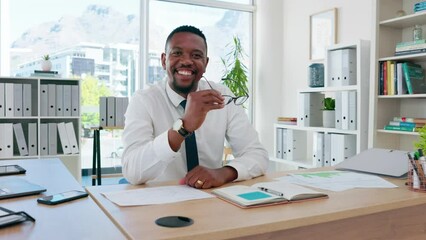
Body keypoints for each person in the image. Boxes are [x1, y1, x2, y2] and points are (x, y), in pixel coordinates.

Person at [121, 25, 268, 189]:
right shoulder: (144, 100)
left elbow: (257, 155)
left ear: (205, 63)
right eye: (177, 53)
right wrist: (183, 126)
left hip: (211, 198)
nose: (186, 61)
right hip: (160, 203)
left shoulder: (221, 95)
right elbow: (132, 171)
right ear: (164, 60)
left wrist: (223, 173)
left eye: (196, 55)